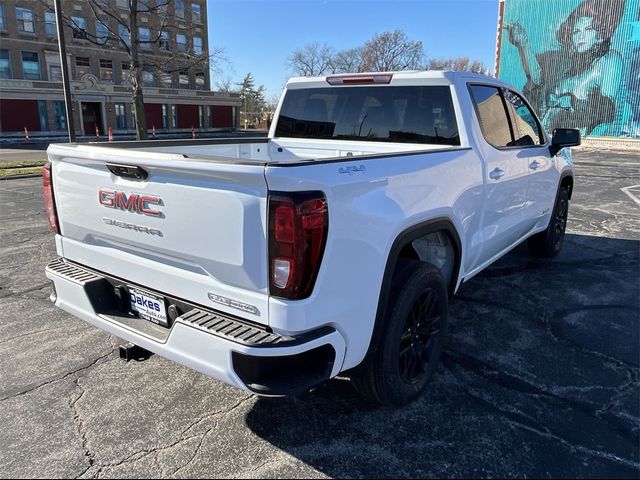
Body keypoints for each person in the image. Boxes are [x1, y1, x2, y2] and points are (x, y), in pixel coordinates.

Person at [504, 0, 624, 136]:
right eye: (576, 31)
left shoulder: (610, 60)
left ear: (599, 35)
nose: (580, 35)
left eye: (588, 29)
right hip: (546, 134)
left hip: (573, 139)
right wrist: (523, 42)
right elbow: (538, 78)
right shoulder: (567, 62)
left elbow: (605, 116)